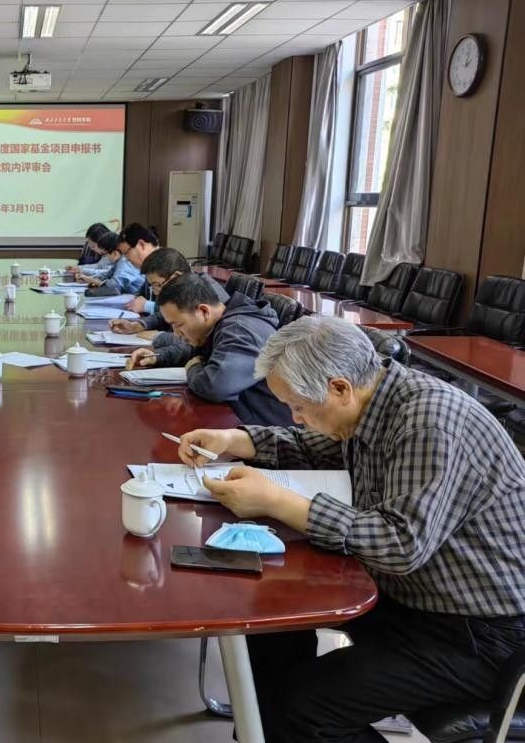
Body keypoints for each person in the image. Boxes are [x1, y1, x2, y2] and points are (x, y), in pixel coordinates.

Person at [176, 316, 525, 743]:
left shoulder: (428, 421)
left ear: (340, 387)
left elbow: (400, 543)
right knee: (271, 622)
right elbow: (313, 447)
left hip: (480, 634)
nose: (296, 418)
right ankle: (266, 725)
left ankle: (279, 722)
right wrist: (233, 440)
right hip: (416, 599)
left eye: (299, 406)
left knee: (298, 710)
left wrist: (279, 502)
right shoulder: (374, 400)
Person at [127, 273, 291, 425]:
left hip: (266, 428)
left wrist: (193, 368)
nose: (176, 333)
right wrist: (159, 356)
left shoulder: (239, 330)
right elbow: (196, 352)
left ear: (203, 311)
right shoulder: (222, 324)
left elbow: (214, 387)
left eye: (178, 325)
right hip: (237, 417)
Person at [85, 231, 144, 296]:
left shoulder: (124, 262)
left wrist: (98, 282)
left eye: (104, 254)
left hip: (138, 298)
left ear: (115, 253)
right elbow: (107, 275)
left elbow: (115, 287)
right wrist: (89, 279)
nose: (104, 257)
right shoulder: (118, 262)